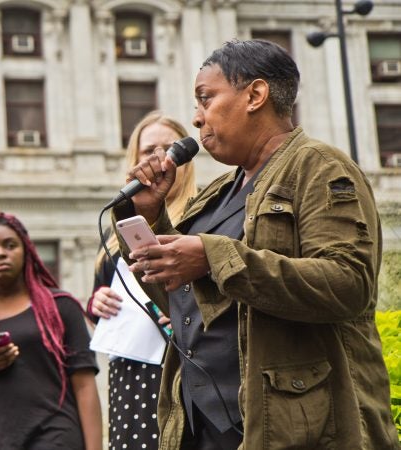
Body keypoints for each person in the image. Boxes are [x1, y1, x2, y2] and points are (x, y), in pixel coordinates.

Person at [113, 39, 400, 449]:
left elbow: (348, 284)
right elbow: (181, 303)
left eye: (206, 99)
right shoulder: (217, 193)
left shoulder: (320, 167)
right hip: (201, 427)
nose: (196, 119)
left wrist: (213, 258)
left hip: (292, 428)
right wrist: (148, 217)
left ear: (255, 95)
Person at [0, 212, 102, 450]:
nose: (0, 253)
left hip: (54, 437)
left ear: (27, 251)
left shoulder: (60, 307)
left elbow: (85, 386)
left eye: (10, 245)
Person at [87, 111, 197, 449]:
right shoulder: (114, 237)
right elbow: (100, 308)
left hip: (183, 370)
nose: (160, 159)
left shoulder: (202, 216)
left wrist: (181, 311)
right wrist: (96, 304)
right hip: (132, 374)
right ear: (134, 161)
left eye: (169, 148)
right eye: (150, 150)